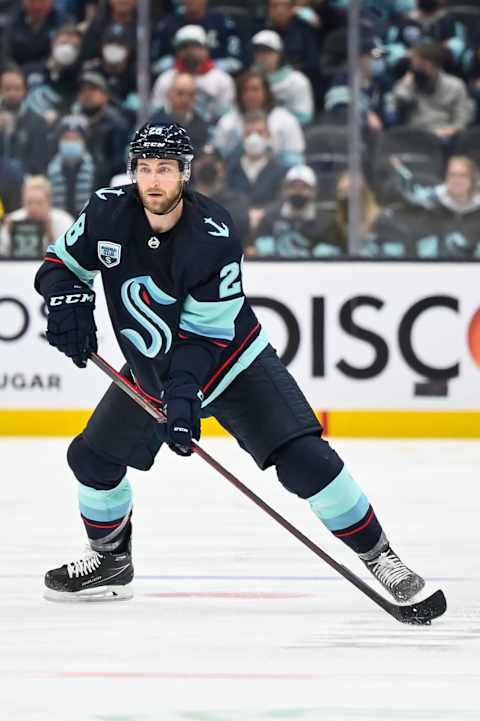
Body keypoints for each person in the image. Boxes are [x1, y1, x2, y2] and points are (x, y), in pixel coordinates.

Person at [34, 122, 427, 603]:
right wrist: (66, 298)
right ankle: (112, 560)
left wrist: (182, 398)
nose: (153, 180)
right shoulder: (105, 212)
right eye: (144, 168)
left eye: (165, 169)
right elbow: (61, 264)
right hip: (151, 374)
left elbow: (203, 338)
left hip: (235, 366)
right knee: (91, 461)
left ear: (185, 173)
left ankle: (380, 556)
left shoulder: (212, 236)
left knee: (306, 463)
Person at [212, 69, 305, 167]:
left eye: (255, 89)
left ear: (266, 92)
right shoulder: (227, 122)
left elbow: (294, 160)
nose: (250, 95)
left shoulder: (286, 120)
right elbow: (218, 157)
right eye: (245, 90)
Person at [251, 163, 342, 257]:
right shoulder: (269, 218)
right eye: (293, 187)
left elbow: (337, 250)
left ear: (314, 191)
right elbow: (254, 247)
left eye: (304, 187)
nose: (298, 191)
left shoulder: (327, 222)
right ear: (284, 189)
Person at [150, 24, 235, 124]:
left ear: (206, 49)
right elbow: (157, 112)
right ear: (177, 51)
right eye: (184, 47)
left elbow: (226, 116)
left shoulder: (222, 80)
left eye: (195, 46)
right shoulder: (166, 79)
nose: (190, 51)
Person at [392, 42, 475, 140]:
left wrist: (451, 131)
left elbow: (462, 118)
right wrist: (406, 87)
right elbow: (395, 106)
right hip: (414, 137)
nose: (413, 67)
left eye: (416, 64)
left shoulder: (455, 85)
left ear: (429, 64)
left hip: (446, 136)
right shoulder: (409, 83)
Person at [250, 29, 314, 126]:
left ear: (279, 54)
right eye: (258, 51)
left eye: (267, 51)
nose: (262, 56)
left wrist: (272, 123)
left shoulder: (297, 81)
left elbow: (304, 117)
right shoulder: (248, 80)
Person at [0, 175, 73, 258]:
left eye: (39, 203)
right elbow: (3, 254)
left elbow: (69, 257)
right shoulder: (14, 219)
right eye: (29, 203)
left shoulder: (63, 221)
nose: (34, 208)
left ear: (49, 202)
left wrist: (50, 236)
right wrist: (10, 236)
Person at [47, 114, 96, 218]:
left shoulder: (96, 170)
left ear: (84, 142)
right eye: (66, 138)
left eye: (75, 138)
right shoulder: (49, 170)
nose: (71, 142)